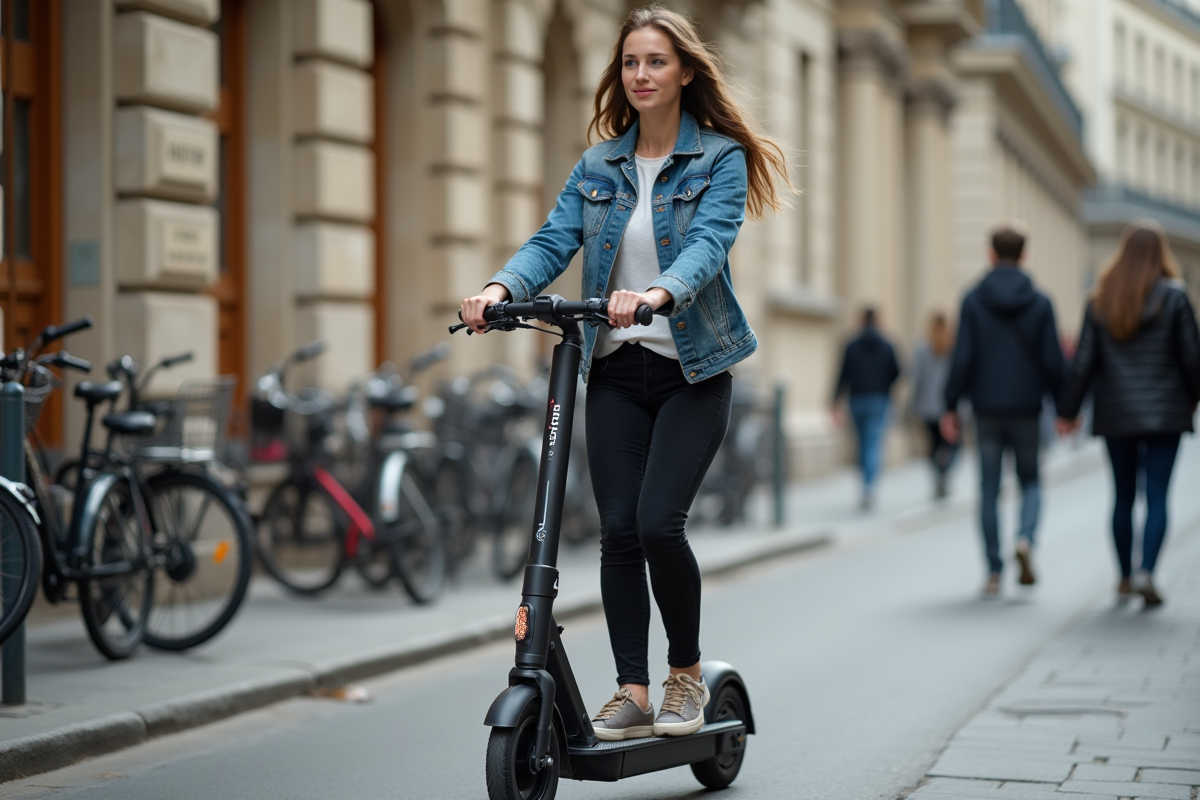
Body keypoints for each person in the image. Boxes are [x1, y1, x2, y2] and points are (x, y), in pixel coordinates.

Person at [460, 5, 791, 741]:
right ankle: (633, 689)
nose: (641, 75)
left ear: (685, 73)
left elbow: (708, 245)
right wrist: (500, 290)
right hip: (615, 372)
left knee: (657, 523)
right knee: (616, 533)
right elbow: (554, 238)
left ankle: (685, 676)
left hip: (693, 373)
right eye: (631, 63)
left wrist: (657, 293)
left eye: (656, 62)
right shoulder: (599, 164)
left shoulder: (719, 160)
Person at [1058, 221, 1200, 608]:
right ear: (1161, 253)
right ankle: (1147, 572)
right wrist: (1193, 398)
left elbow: (1083, 361)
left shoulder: (1101, 299)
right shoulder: (1175, 297)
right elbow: (1192, 356)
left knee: (1122, 497)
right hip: (1166, 411)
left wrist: (1067, 411)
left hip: (1116, 412)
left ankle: (1123, 577)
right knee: (1157, 496)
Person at [941, 223, 1064, 596]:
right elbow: (1053, 361)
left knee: (989, 490)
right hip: (1027, 407)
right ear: (1024, 255)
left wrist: (950, 405)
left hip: (986, 408)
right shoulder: (1041, 302)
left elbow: (962, 357)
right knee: (1030, 482)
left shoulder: (973, 300)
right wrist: (1064, 408)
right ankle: (1025, 539)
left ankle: (994, 571)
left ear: (991, 255)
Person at [832, 307, 901, 510]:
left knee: (862, 444)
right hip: (879, 400)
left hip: (857, 400)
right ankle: (869, 486)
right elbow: (897, 371)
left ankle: (865, 484)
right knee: (873, 443)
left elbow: (842, 374)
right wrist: (885, 386)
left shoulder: (851, 345)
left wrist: (835, 401)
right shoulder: (887, 345)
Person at [910, 312, 957, 500]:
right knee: (951, 445)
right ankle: (944, 473)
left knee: (932, 446)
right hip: (949, 407)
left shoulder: (922, 349)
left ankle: (938, 475)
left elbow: (917, 379)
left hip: (927, 406)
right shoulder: (954, 348)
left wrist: (912, 405)